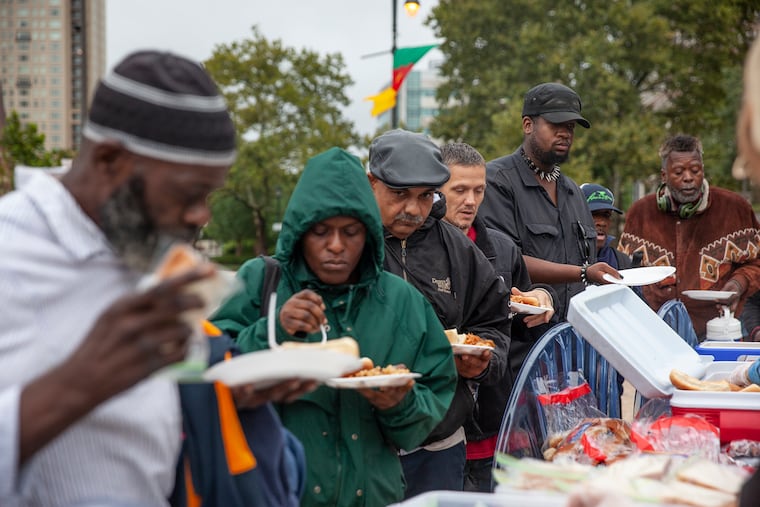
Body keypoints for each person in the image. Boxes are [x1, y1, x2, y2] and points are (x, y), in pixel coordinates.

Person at [0, 50, 313, 507]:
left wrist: (227, 393)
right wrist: (79, 382)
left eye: (209, 195)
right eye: (189, 194)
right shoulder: (11, 255)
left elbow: (158, 410)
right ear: (110, 160)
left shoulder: (143, 247)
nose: (201, 216)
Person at [210, 147, 458, 507]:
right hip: (276, 495)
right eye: (321, 231)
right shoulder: (260, 282)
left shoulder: (401, 301)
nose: (336, 246)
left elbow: (431, 402)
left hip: (375, 495)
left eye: (351, 232)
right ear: (299, 231)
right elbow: (211, 372)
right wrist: (273, 329)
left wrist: (399, 403)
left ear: (369, 234)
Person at [367, 129, 513, 498]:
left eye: (424, 196)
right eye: (399, 194)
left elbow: (493, 322)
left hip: (439, 443)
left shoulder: (456, 248)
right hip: (362, 440)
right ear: (372, 184)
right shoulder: (348, 242)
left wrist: (482, 363)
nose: (413, 209)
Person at [439, 141, 556, 493]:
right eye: (459, 190)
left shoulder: (503, 248)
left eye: (479, 190)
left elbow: (520, 316)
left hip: (499, 423)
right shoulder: (419, 250)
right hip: (441, 429)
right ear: (436, 189)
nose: (471, 201)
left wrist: (541, 299)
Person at [479, 82, 619, 320]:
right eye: (555, 125)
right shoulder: (496, 181)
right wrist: (583, 273)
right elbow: (506, 260)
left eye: (570, 126)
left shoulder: (574, 192)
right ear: (527, 125)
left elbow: (588, 263)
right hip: (523, 340)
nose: (565, 133)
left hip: (572, 339)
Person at [618, 134, 760, 340]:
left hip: (721, 332)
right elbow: (626, 273)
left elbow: (757, 261)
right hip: (657, 332)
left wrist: (739, 283)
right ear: (664, 176)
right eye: (678, 172)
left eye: (695, 170)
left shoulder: (735, 208)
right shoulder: (640, 213)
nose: (688, 177)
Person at [580, 183, 633, 271]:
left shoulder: (622, 261)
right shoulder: (561, 258)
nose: (602, 223)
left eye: (606, 215)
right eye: (594, 214)